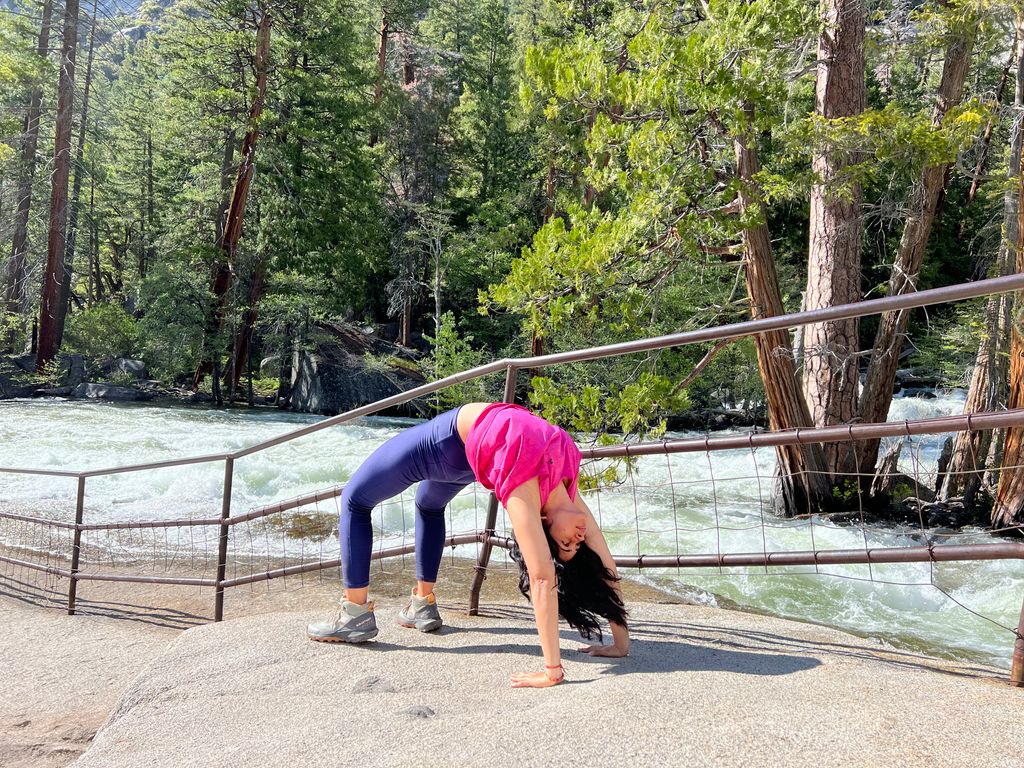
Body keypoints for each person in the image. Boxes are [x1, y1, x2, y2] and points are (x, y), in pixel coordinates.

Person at [307, 402, 630, 688]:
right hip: (473, 451)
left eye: (565, 543)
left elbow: (543, 577)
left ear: (544, 523)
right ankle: (423, 605)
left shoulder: (525, 493)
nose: (578, 537)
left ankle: (354, 613)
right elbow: (601, 557)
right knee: (428, 504)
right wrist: (621, 643)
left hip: (446, 443)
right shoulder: (566, 486)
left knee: (354, 500)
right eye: (576, 542)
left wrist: (552, 670)